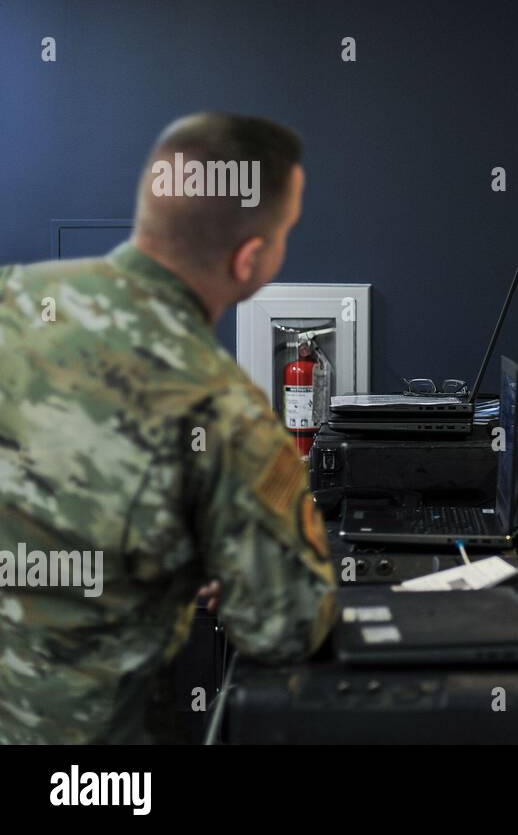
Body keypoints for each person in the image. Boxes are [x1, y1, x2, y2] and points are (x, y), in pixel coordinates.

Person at [0, 113, 337, 743]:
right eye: (285, 230)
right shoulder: (222, 407)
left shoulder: (11, 296)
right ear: (250, 258)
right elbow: (286, 624)